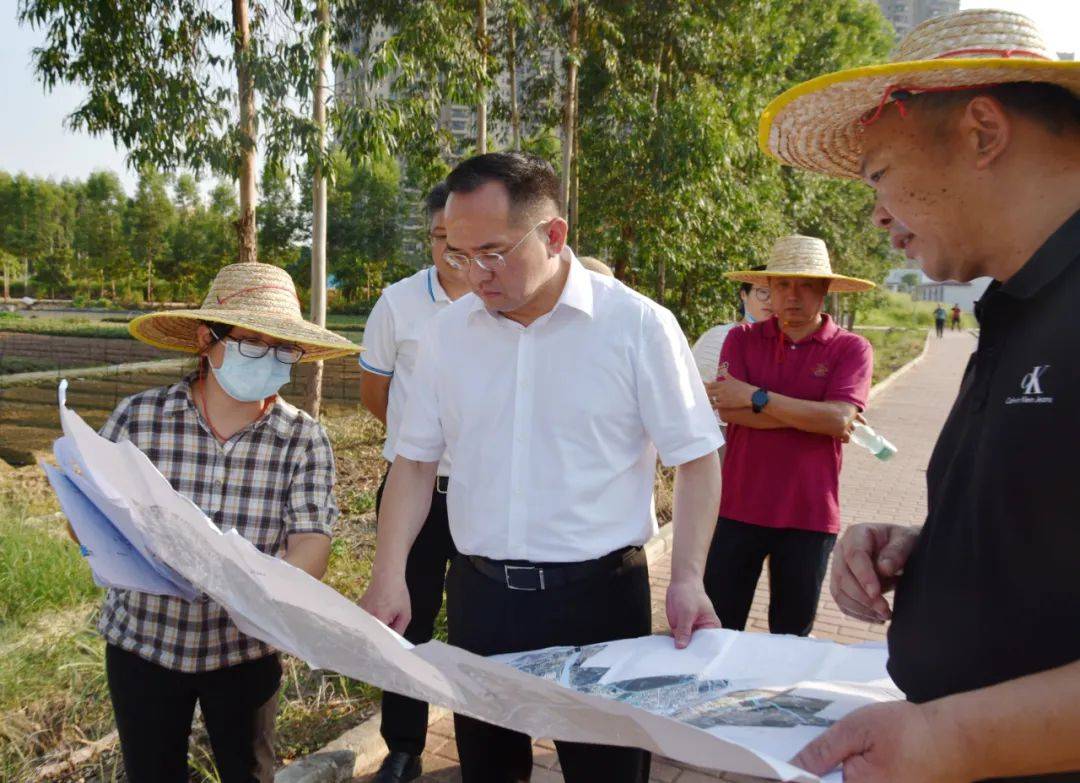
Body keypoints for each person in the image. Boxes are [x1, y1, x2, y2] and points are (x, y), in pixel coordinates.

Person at [759, 8, 1080, 780]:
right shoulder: (1014, 307)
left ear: (981, 132)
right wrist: (934, 548)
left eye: (878, 176)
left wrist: (958, 739)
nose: (877, 215)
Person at [360, 152, 724, 783]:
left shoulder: (637, 326)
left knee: (606, 770)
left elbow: (696, 461)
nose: (475, 273)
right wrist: (390, 574)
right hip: (482, 598)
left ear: (553, 235)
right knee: (489, 769)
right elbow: (414, 465)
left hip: (600, 599)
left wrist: (687, 577)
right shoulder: (448, 336)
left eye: (493, 252)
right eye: (458, 254)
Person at [94, 262, 359, 782]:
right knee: (150, 772)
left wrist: (260, 590)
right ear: (205, 339)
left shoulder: (302, 439)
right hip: (144, 639)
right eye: (252, 343)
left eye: (283, 348)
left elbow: (311, 543)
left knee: (250, 771)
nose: (269, 358)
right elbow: (93, 519)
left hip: (245, 648)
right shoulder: (140, 420)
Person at [702, 235, 874, 637]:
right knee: (716, 628)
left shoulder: (851, 348)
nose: (792, 296)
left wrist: (756, 398)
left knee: (792, 635)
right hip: (738, 505)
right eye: (782, 285)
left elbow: (838, 419)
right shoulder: (742, 338)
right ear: (769, 288)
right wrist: (811, 415)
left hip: (809, 513)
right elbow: (728, 409)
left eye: (806, 285)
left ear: (825, 290)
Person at [359, 182, 471, 783]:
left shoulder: (498, 301)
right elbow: (377, 393)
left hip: (484, 494)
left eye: (465, 237)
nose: (452, 248)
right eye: (440, 236)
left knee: (482, 623)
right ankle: (402, 746)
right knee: (407, 619)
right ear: (430, 237)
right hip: (414, 492)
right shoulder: (398, 303)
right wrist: (417, 450)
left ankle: (484, 739)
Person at [691, 265, 773, 384]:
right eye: (763, 292)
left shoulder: (789, 344)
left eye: (776, 293)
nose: (770, 300)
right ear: (744, 295)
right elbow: (693, 387)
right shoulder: (716, 337)